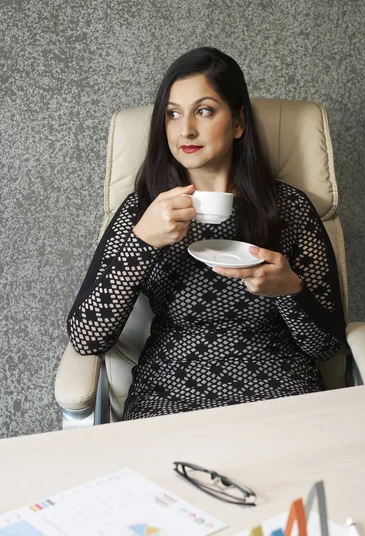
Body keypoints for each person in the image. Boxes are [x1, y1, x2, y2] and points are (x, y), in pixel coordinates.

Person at [67, 47, 346, 421]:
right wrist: (142, 241)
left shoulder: (289, 207)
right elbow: (87, 337)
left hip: (279, 392)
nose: (186, 130)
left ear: (238, 123)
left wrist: (290, 290)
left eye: (204, 110)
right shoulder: (143, 209)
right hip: (169, 393)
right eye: (173, 114)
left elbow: (326, 346)